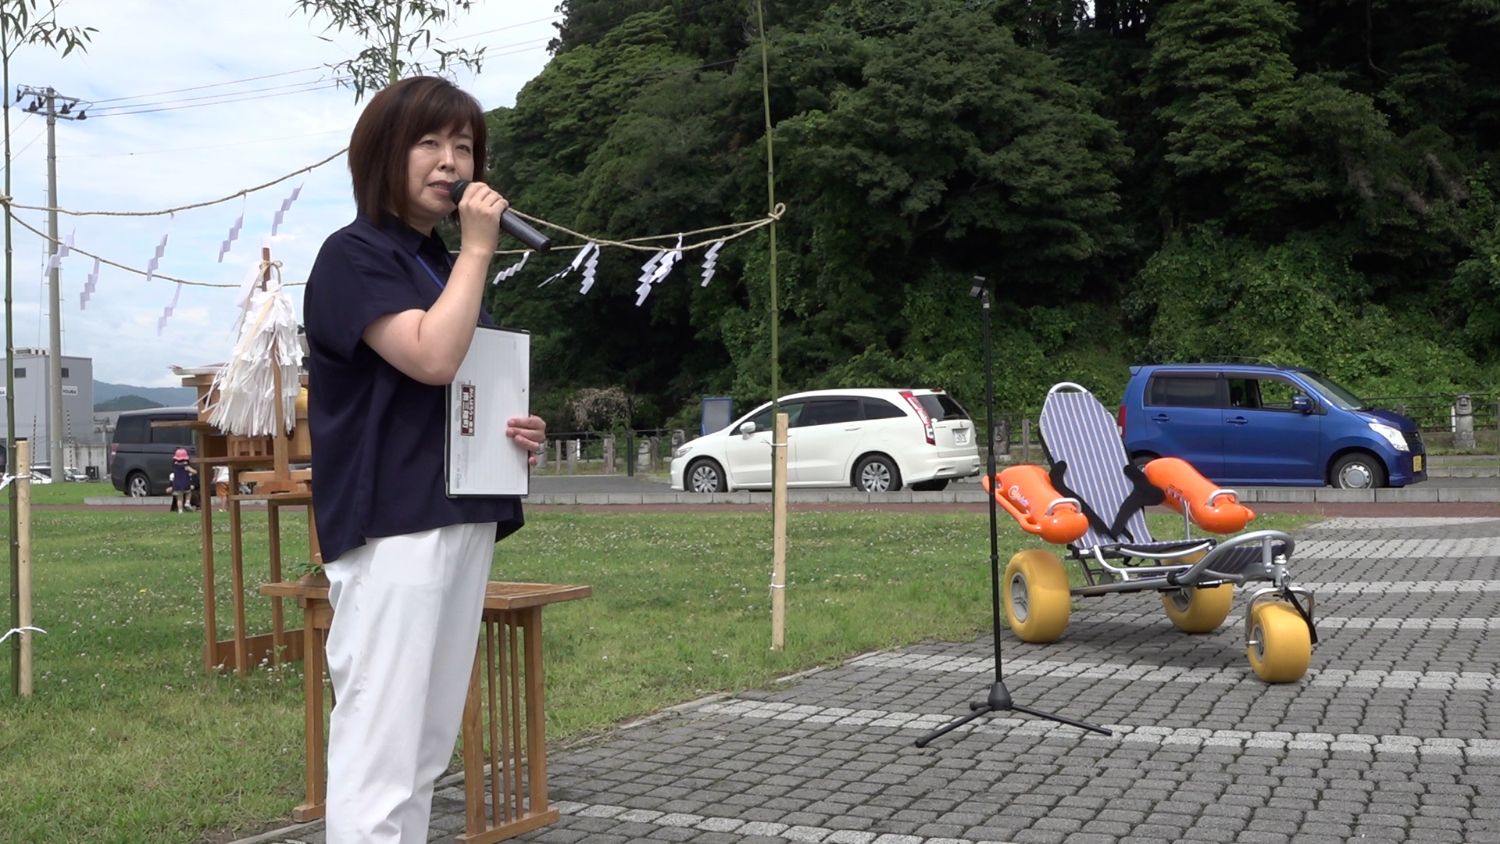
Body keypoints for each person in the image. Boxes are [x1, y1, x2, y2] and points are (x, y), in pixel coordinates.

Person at [302, 76, 547, 844]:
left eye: (464, 146)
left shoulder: (438, 264)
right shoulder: (353, 256)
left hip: (460, 514)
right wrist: (479, 248)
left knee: (424, 750)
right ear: (385, 153)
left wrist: (512, 430)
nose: (451, 162)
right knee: (382, 749)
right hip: (394, 527)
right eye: (430, 143)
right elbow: (433, 357)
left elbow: (459, 381)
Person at [169, 448, 196, 513]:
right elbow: (194, 472)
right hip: (185, 483)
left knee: (179, 498)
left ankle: (180, 510)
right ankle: (187, 502)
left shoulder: (175, 466)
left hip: (176, 483)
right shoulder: (186, 466)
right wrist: (192, 472)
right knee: (188, 492)